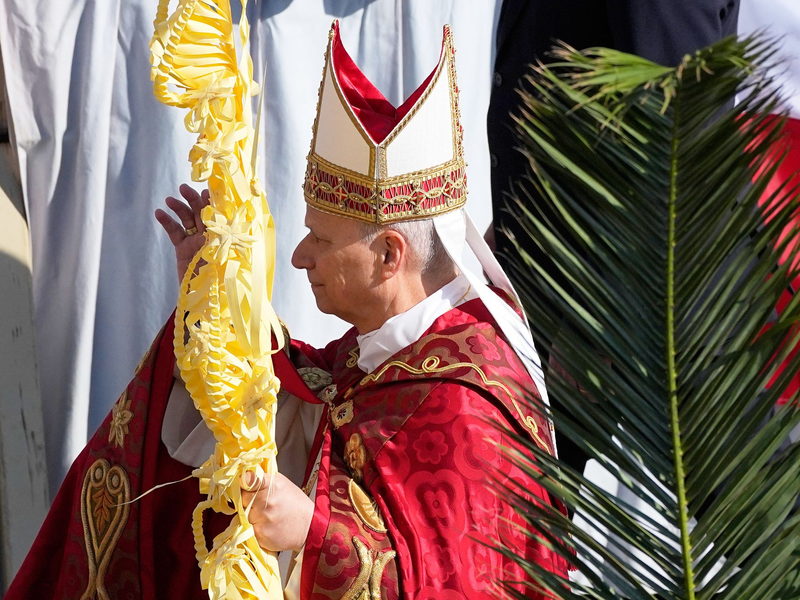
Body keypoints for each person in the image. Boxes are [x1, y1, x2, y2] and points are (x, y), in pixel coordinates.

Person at [7, 21, 568, 599]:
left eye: (321, 241)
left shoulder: (467, 409)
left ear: (388, 256)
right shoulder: (398, 343)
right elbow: (306, 397)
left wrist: (312, 535)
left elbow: (456, 587)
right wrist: (215, 303)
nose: (300, 257)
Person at [487, 0, 740, 479]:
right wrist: (509, 223)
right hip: (556, 289)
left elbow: (674, 144)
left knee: (759, 525)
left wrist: (597, 330)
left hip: (624, 306)